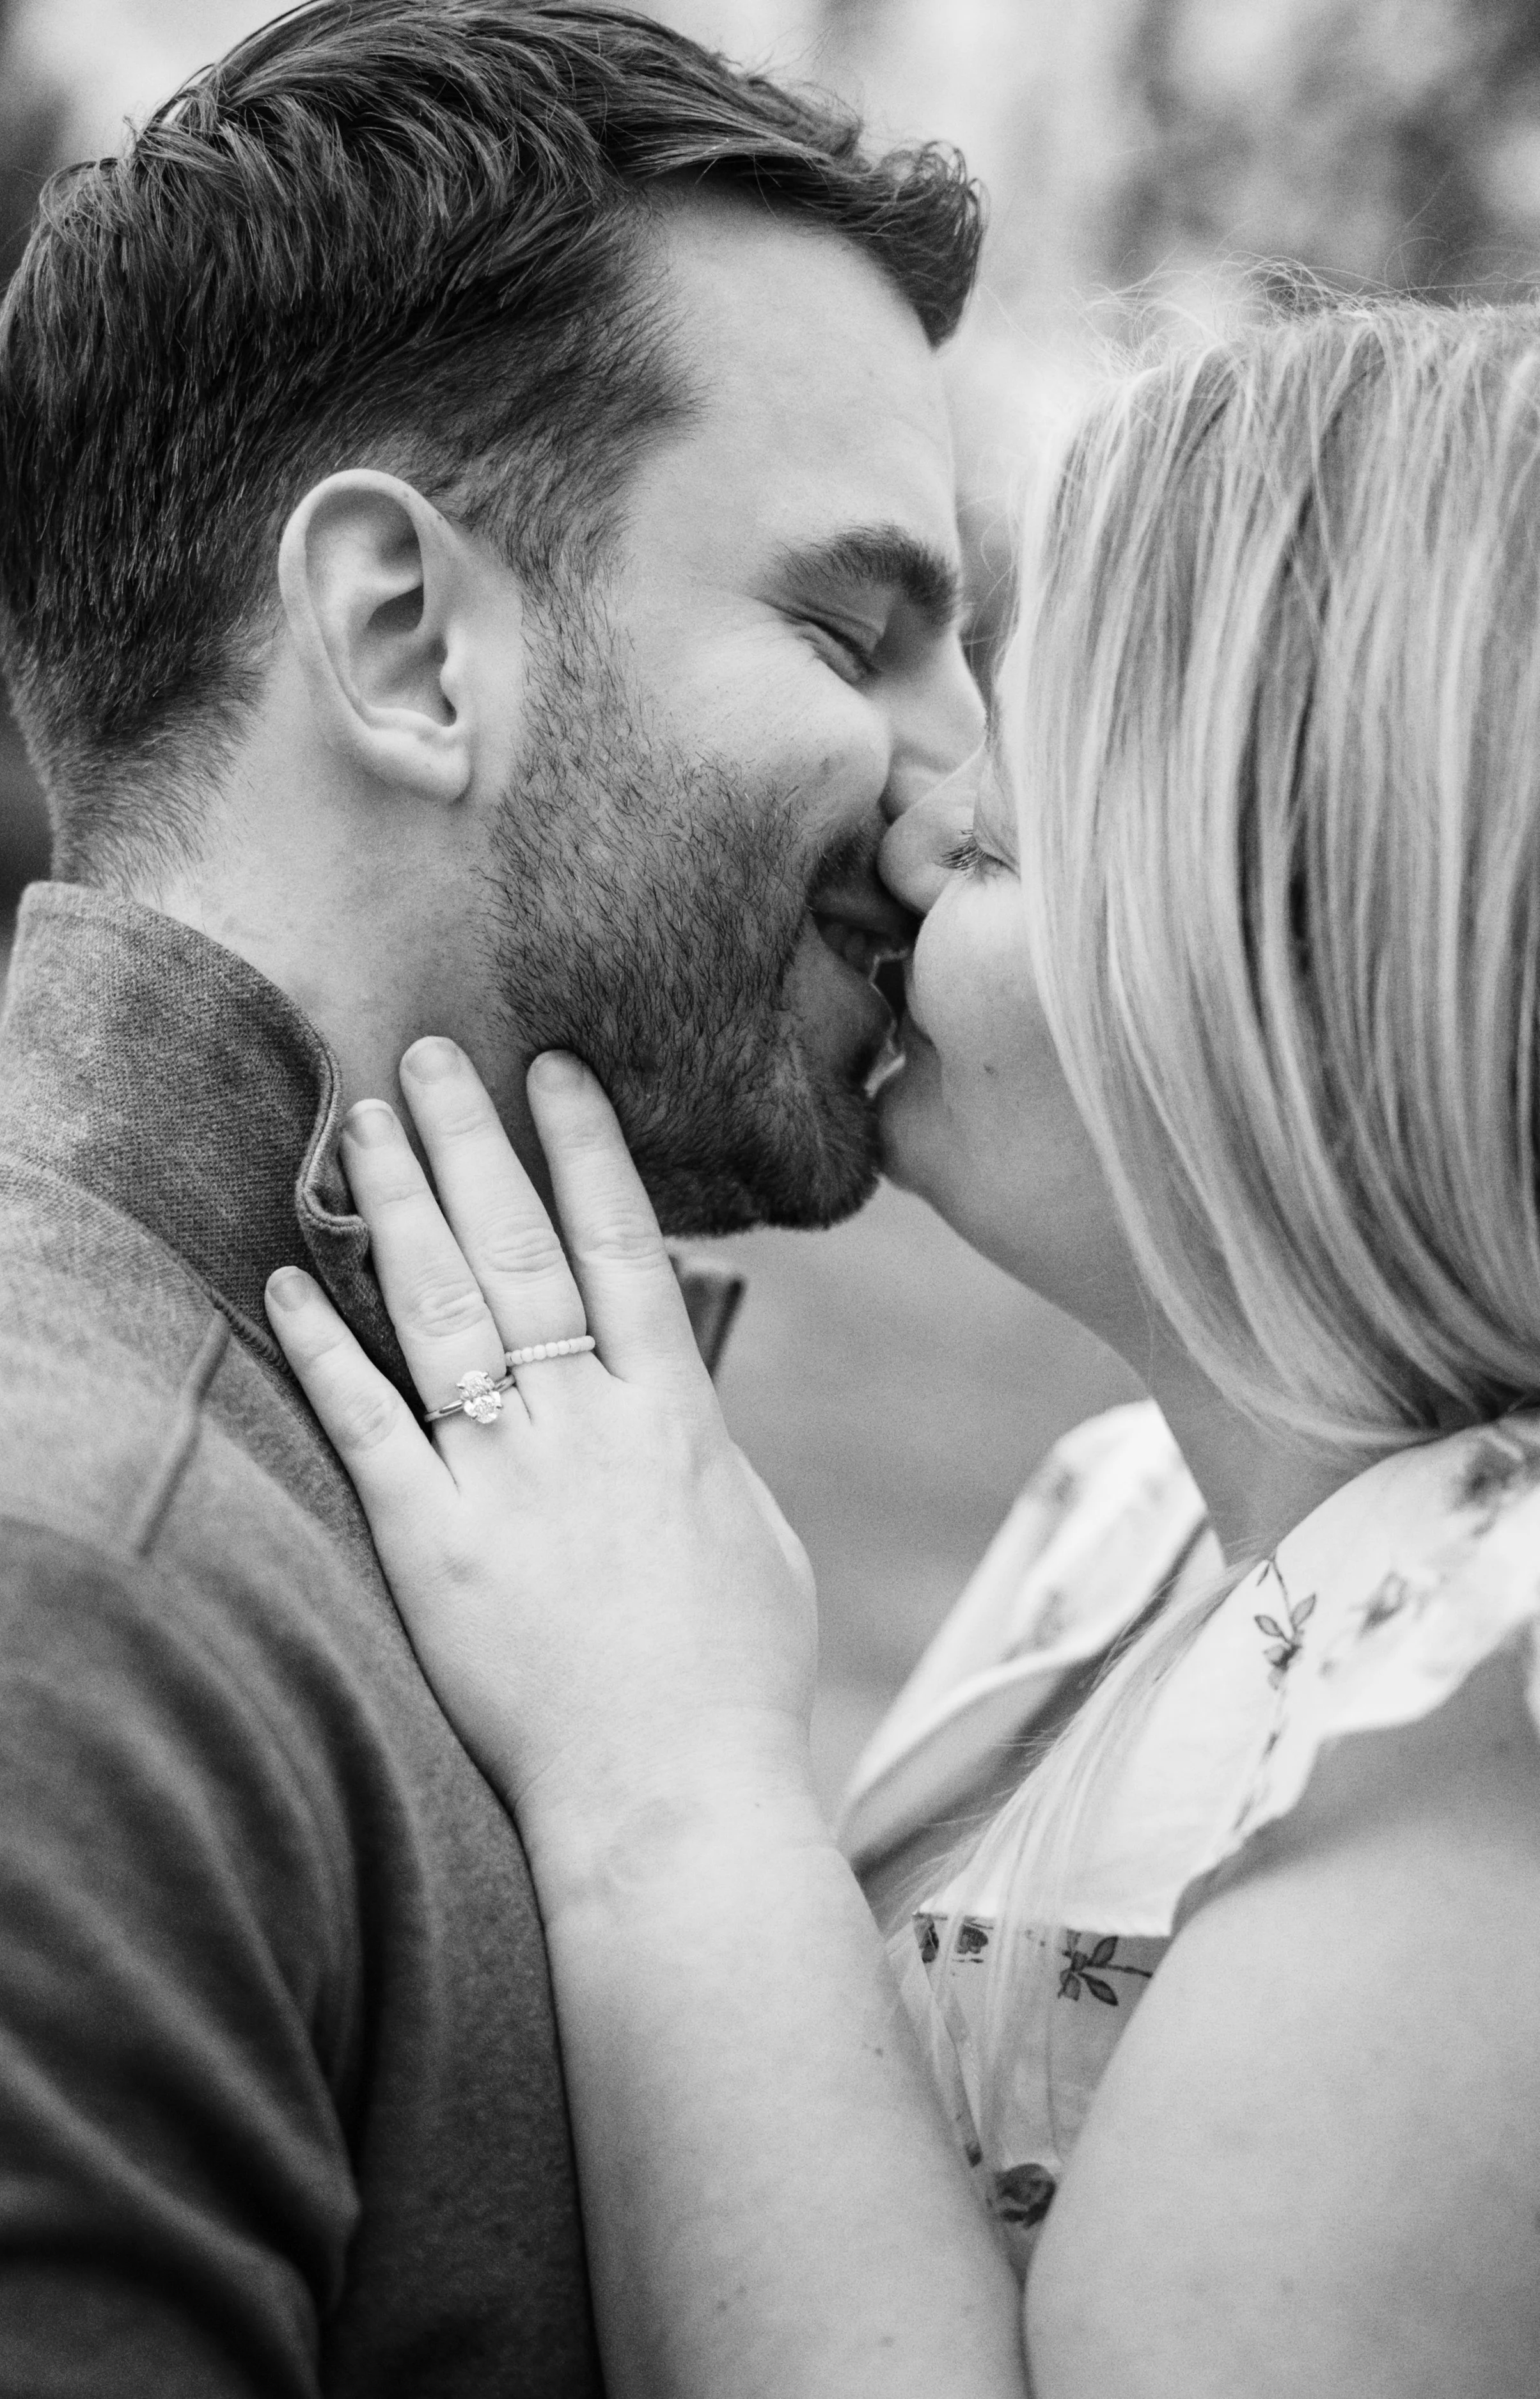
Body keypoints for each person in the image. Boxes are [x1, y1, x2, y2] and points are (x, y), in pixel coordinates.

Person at [275, 296, 1540, 2396]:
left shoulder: (1459, 1823)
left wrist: (665, 1782)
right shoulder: (1132, 1518)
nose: (911, 824)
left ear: (1296, 954)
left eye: (1015, 804)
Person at [0, 3, 986, 2387]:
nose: (970, 800)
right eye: (854, 631)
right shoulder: (50, 1621)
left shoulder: (474, 1543)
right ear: (410, 642)